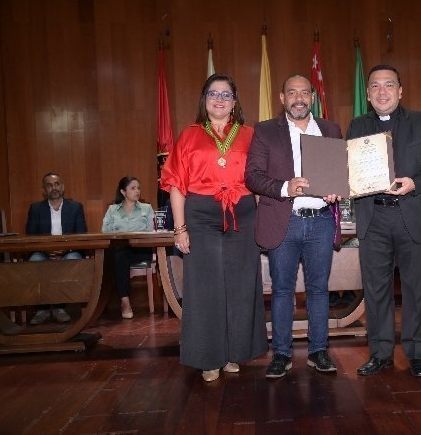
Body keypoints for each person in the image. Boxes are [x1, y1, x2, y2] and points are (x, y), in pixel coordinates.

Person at [160, 73, 267, 382]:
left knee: (241, 285)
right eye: (213, 93)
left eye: (226, 94)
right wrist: (180, 229)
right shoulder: (189, 135)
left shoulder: (250, 135)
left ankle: (235, 353)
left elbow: (260, 182)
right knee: (205, 286)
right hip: (201, 215)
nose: (219, 99)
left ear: (235, 102)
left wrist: (263, 222)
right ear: (204, 100)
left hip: (243, 214)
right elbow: (177, 185)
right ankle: (209, 357)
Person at [346, 65, 421, 378]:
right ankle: (380, 354)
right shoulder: (357, 126)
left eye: (389, 85)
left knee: (417, 289)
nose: (381, 91)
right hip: (373, 217)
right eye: (375, 86)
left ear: (400, 91)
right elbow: (348, 170)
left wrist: (415, 182)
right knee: (376, 290)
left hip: (411, 214)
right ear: (368, 94)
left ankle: (417, 353)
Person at [245, 74, 342, 379]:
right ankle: (282, 354)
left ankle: (318, 351)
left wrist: (336, 188)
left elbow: (341, 174)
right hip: (283, 222)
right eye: (292, 93)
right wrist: (286, 187)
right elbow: (253, 176)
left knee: (318, 289)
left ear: (312, 97)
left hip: (322, 221)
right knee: (283, 290)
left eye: (304, 93)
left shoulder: (330, 129)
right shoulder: (264, 131)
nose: (298, 98)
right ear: (282, 98)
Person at [26, 172, 88, 324]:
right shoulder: (35, 208)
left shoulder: (75, 207)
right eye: (49, 185)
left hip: (69, 252)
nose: (53, 188)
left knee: (72, 260)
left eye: (57, 184)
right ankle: (43, 309)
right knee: (34, 261)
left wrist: (63, 251)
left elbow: (81, 235)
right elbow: (31, 237)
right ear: (44, 189)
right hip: (43, 253)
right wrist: (48, 251)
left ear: (62, 187)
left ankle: (60, 307)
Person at [101, 176, 155, 319]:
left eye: (138, 188)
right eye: (133, 188)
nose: (137, 191)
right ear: (123, 192)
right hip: (121, 250)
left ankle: (124, 300)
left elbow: (151, 232)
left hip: (141, 250)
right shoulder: (112, 210)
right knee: (120, 254)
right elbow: (105, 232)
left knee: (120, 255)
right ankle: (125, 301)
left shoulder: (146, 208)